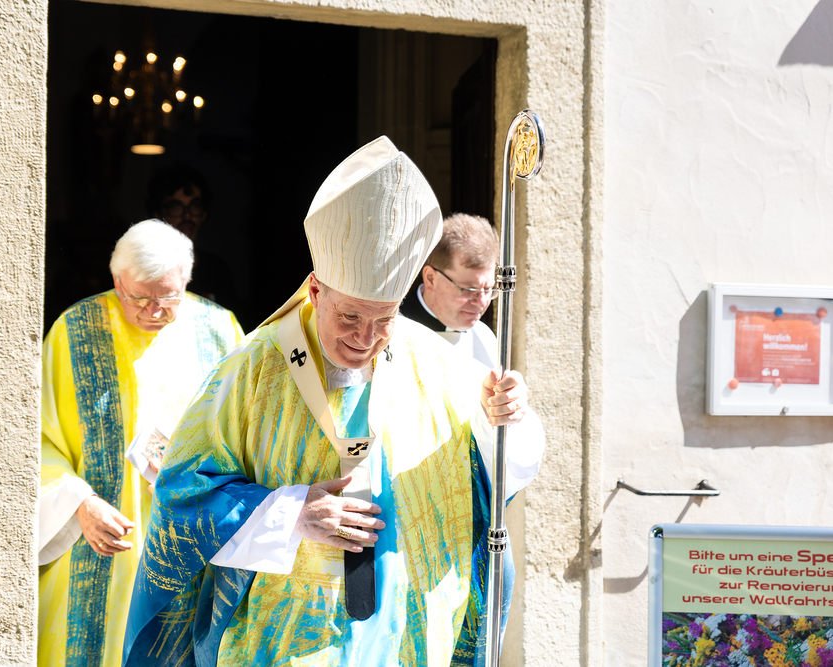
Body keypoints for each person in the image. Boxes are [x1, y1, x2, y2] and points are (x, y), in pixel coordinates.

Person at [122, 137, 543, 667]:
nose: (365, 338)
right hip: (281, 637)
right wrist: (291, 512)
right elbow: (182, 496)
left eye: (383, 319)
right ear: (316, 292)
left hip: (403, 636)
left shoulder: (435, 362)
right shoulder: (253, 368)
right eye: (349, 317)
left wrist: (503, 417)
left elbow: (499, 473)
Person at [37, 220, 244, 667]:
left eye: (168, 297)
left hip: (186, 542)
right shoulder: (74, 331)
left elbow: (247, 436)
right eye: (139, 298)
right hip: (92, 541)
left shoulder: (219, 331)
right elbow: (36, 439)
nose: (153, 311)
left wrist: (203, 479)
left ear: (186, 280)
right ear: (117, 282)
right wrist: (79, 503)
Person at [400, 211, 546, 651]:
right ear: (430, 276)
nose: (480, 302)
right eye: (467, 288)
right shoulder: (392, 334)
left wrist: (511, 408)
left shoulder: (483, 337)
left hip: (475, 518)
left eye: (488, 289)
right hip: (413, 516)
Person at [146, 164, 239, 314]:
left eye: (195, 206)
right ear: (158, 214)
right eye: (176, 207)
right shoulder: (140, 269)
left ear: (204, 214)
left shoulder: (217, 271)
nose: (187, 216)